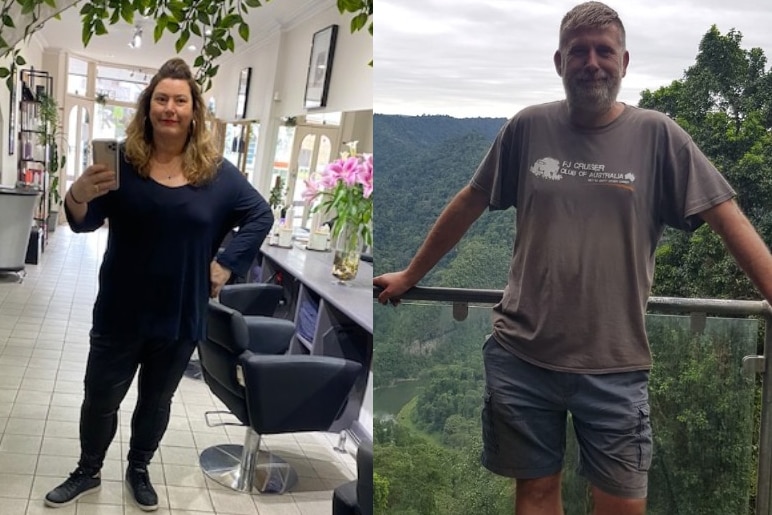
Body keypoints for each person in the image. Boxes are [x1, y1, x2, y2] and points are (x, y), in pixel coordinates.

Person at [374, 3, 772, 514]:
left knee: (622, 504)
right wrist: (412, 274)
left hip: (616, 362)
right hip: (523, 356)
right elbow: (471, 200)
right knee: (536, 496)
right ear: (559, 62)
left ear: (624, 61)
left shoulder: (658, 136)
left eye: (604, 51)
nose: (592, 62)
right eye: (578, 52)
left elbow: (726, 217)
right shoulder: (527, 127)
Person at [44, 58, 273, 511]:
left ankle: (139, 468)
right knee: (101, 398)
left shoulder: (217, 174)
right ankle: (88, 470)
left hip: (181, 313)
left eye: (180, 101)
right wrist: (77, 194)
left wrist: (226, 262)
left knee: (156, 402)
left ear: (194, 111)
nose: (170, 108)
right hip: (120, 310)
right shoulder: (124, 165)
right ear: (149, 107)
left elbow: (260, 215)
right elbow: (84, 223)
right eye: (162, 99)